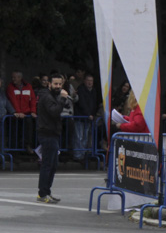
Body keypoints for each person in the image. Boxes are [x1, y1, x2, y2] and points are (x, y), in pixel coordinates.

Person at [35, 73, 69, 203]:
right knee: (48, 164)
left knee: (53, 164)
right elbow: (54, 111)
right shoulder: (46, 96)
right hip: (47, 133)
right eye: (55, 84)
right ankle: (42, 193)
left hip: (53, 133)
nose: (58, 86)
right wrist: (62, 99)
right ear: (49, 84)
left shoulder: (53, 95)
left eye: (60, 84)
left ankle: (46, 191)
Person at [6, 71, 38, 150]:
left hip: (26, 113)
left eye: (15, 77)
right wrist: (18, 112)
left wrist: (33, 111)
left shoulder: (28, 86)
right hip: (16, 115)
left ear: (20, 78)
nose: (13, 79)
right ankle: (14, 149)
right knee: (15, 132)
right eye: (12, 77)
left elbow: (33, 99)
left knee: (28, 131)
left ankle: (27, 145)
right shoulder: (10, 87)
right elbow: (13, 101)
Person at [73, 73, 101, 162]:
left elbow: (95, 103)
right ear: (85, 81)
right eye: (88, 80)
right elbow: (82, 103)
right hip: (81, 117)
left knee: (85, 137)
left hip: (89, 117)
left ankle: (83, 154)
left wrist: (92, 114)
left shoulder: (94, 91)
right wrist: (88, 114)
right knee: (79, 136)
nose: (89, 82)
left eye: (91, 81)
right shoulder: (81, 89)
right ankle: (78, 155)